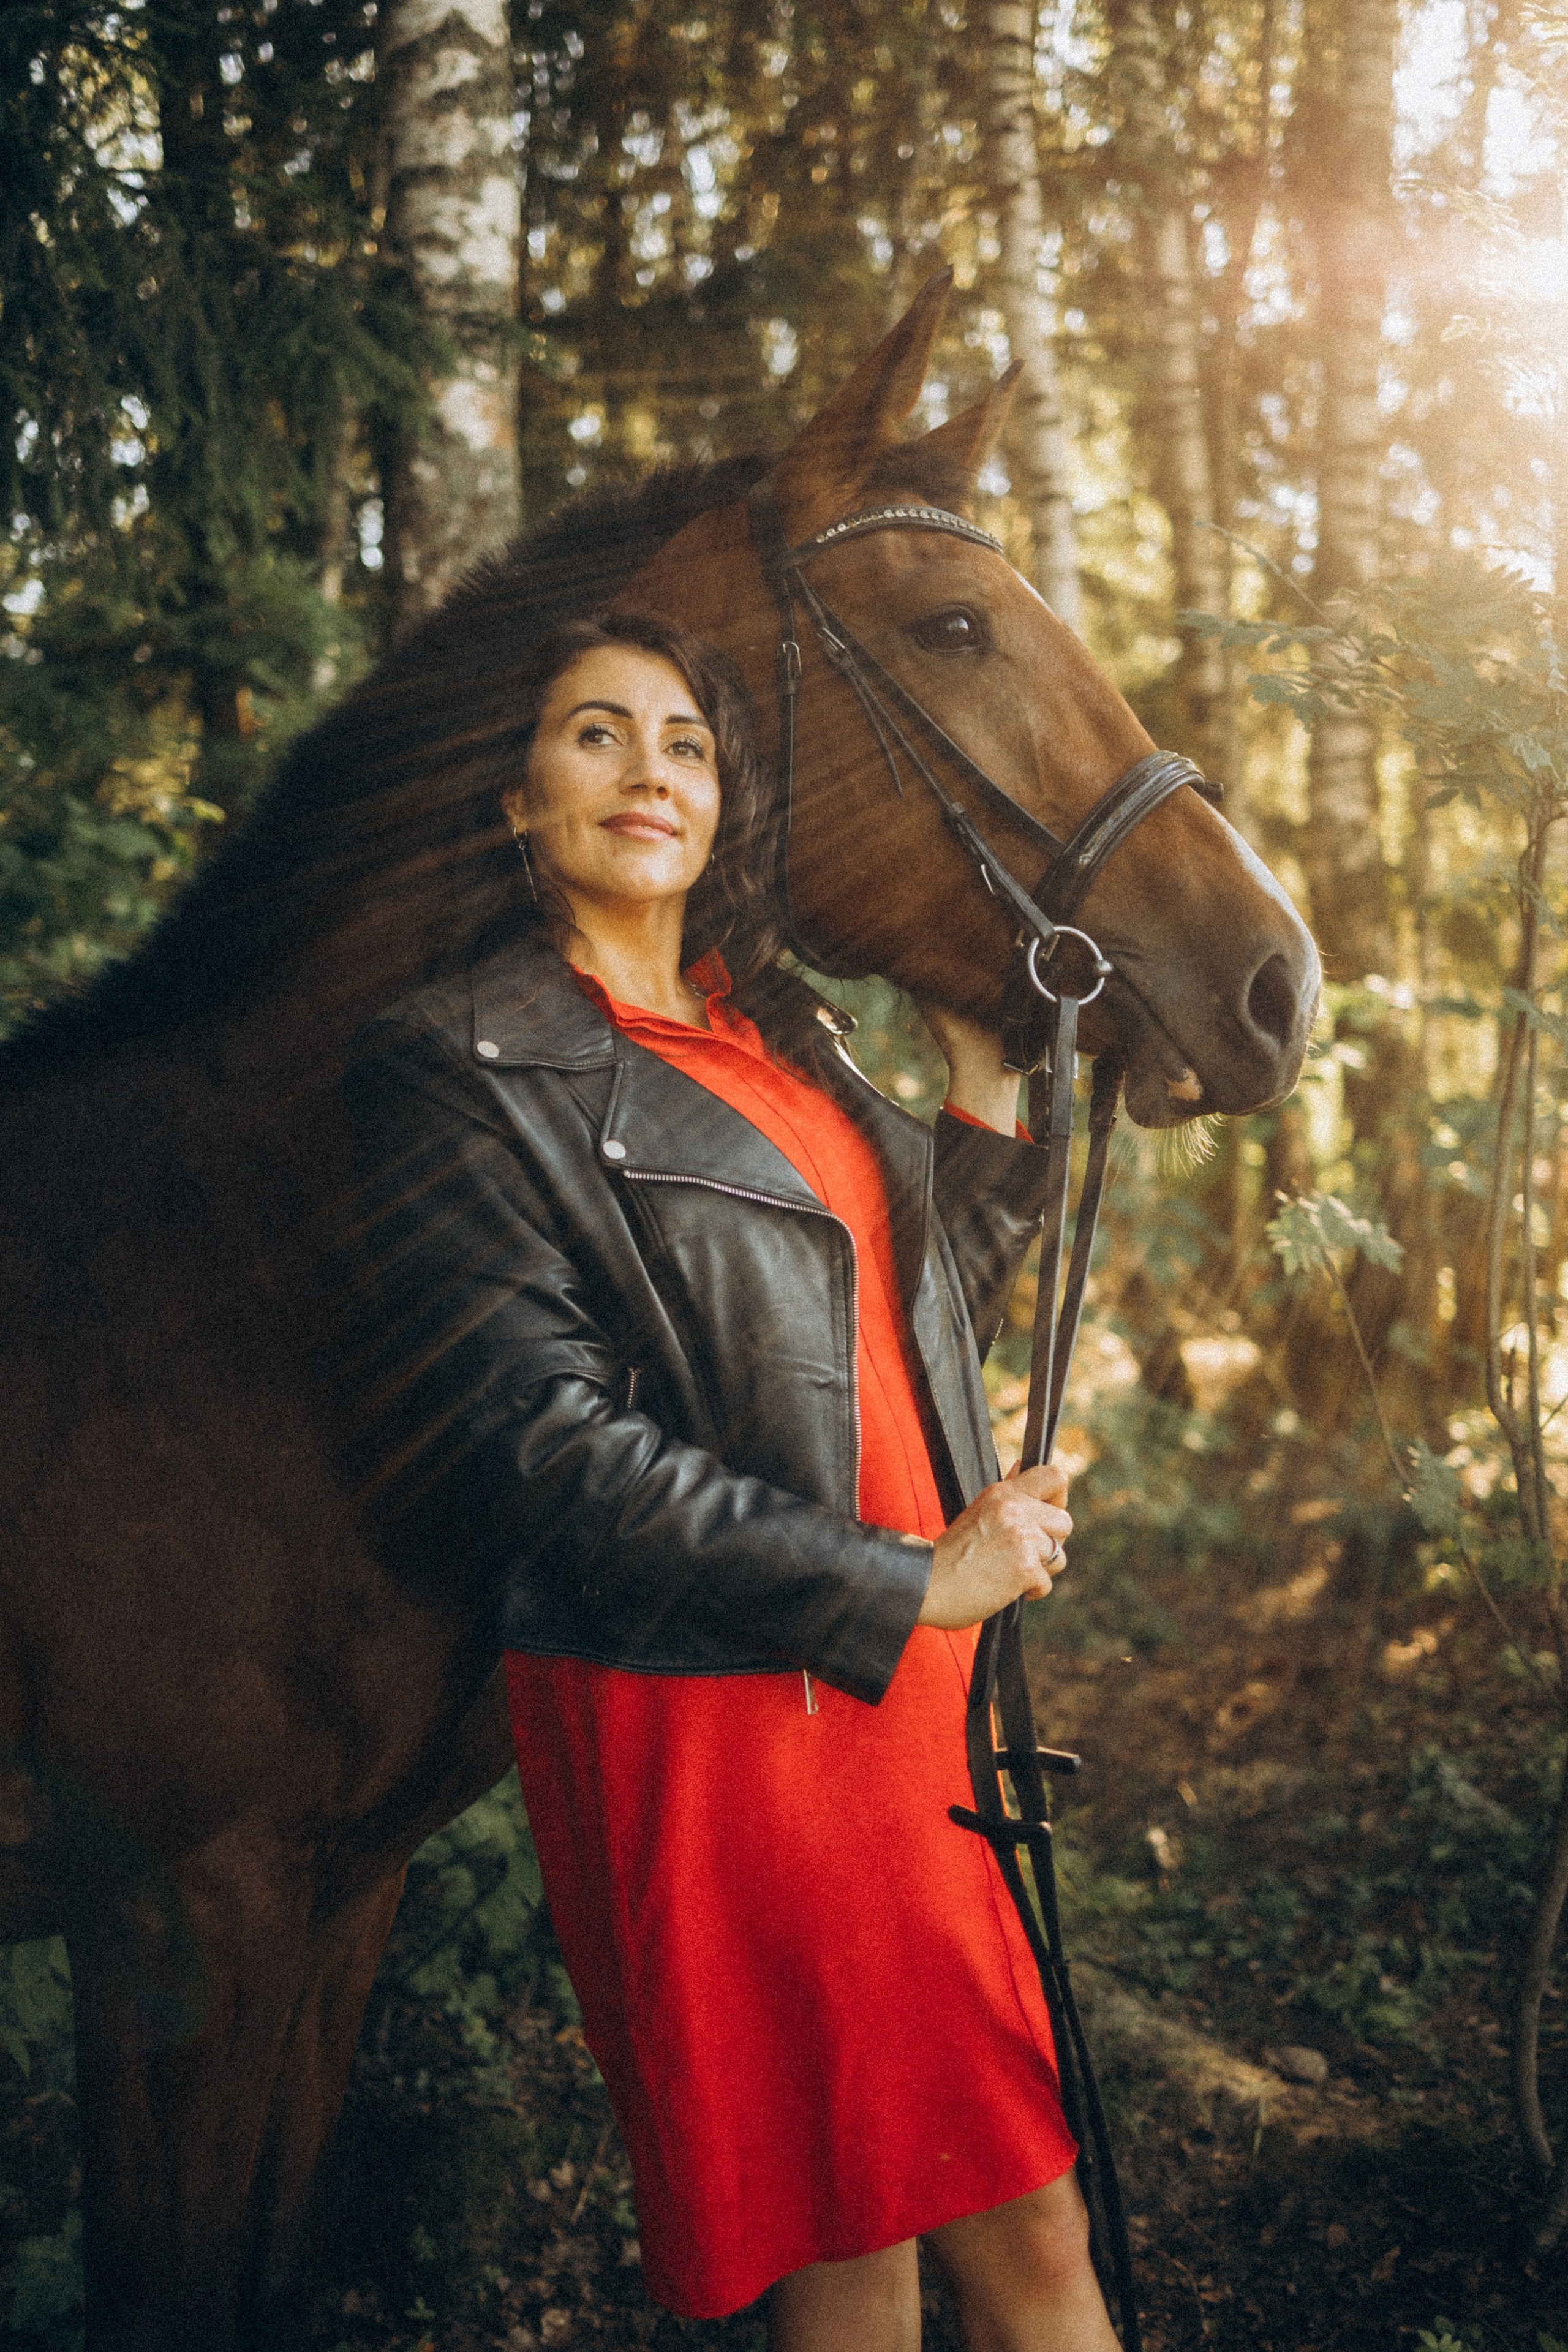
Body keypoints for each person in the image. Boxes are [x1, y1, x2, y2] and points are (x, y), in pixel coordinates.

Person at [342, 609, 1120, 2352]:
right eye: (596, 734)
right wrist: (913, 1580)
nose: (648, 771)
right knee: (1015, 2228)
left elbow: (867, 1330)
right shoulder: (462, 1063)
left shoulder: (776, 1030)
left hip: (895, 1692)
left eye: (684, 742)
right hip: (721, 1713)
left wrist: (986, 1124)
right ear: (514, 803)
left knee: (864, 2236)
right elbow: (540, 1458)